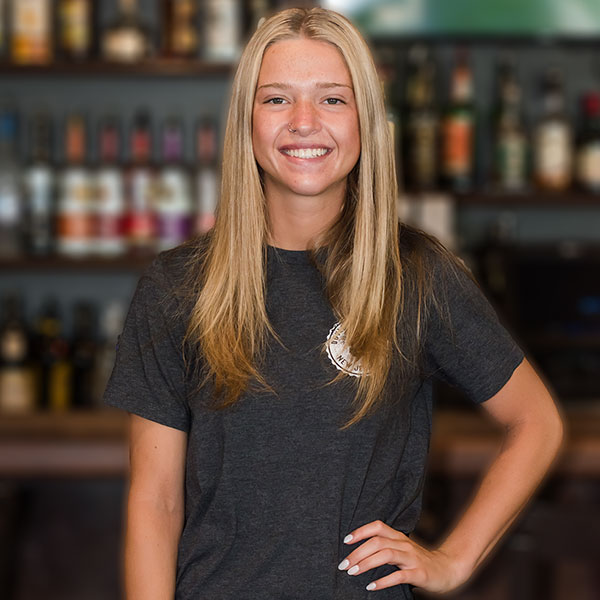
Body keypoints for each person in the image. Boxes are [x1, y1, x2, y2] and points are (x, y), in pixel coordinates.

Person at [104, 7, 564, 599]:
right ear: (246, 122)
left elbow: (537, 422)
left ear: (365, 121)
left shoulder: (417, 276)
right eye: (277, 99)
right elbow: (156, 501)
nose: (304, 122)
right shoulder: (178, 285)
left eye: (332, 99)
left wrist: (453, 560)